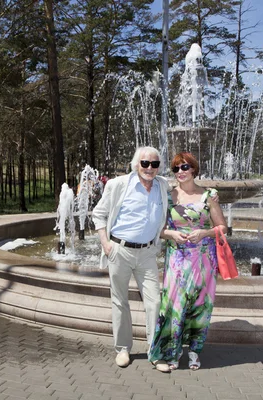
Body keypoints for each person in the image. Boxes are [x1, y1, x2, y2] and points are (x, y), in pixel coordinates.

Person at [92, 146, 171, 372]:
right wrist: (106, 244)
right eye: (145, 163)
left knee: (155, 301)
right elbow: (99, 213)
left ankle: (154, 351)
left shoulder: (162, 185)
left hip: (147, 253)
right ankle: (123, 349)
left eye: (154, 164)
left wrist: (209, 194)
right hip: (120, 250)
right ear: (136, 164)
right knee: (119, 301)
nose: (149, 168)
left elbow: (182, 195)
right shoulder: (118, 185)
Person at [148, 151, 227, 371]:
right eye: (175, 168)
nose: (180, 172)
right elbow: (160, 230)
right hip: (177, 259)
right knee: (174, 305)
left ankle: (194, 351)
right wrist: (171, 234)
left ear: (193, 169)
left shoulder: (209, 195)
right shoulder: (168, 196)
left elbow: (223, 228)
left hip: (203, 259)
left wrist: (204, 232)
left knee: (200, 305)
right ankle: (172, 351)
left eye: (184, 167)